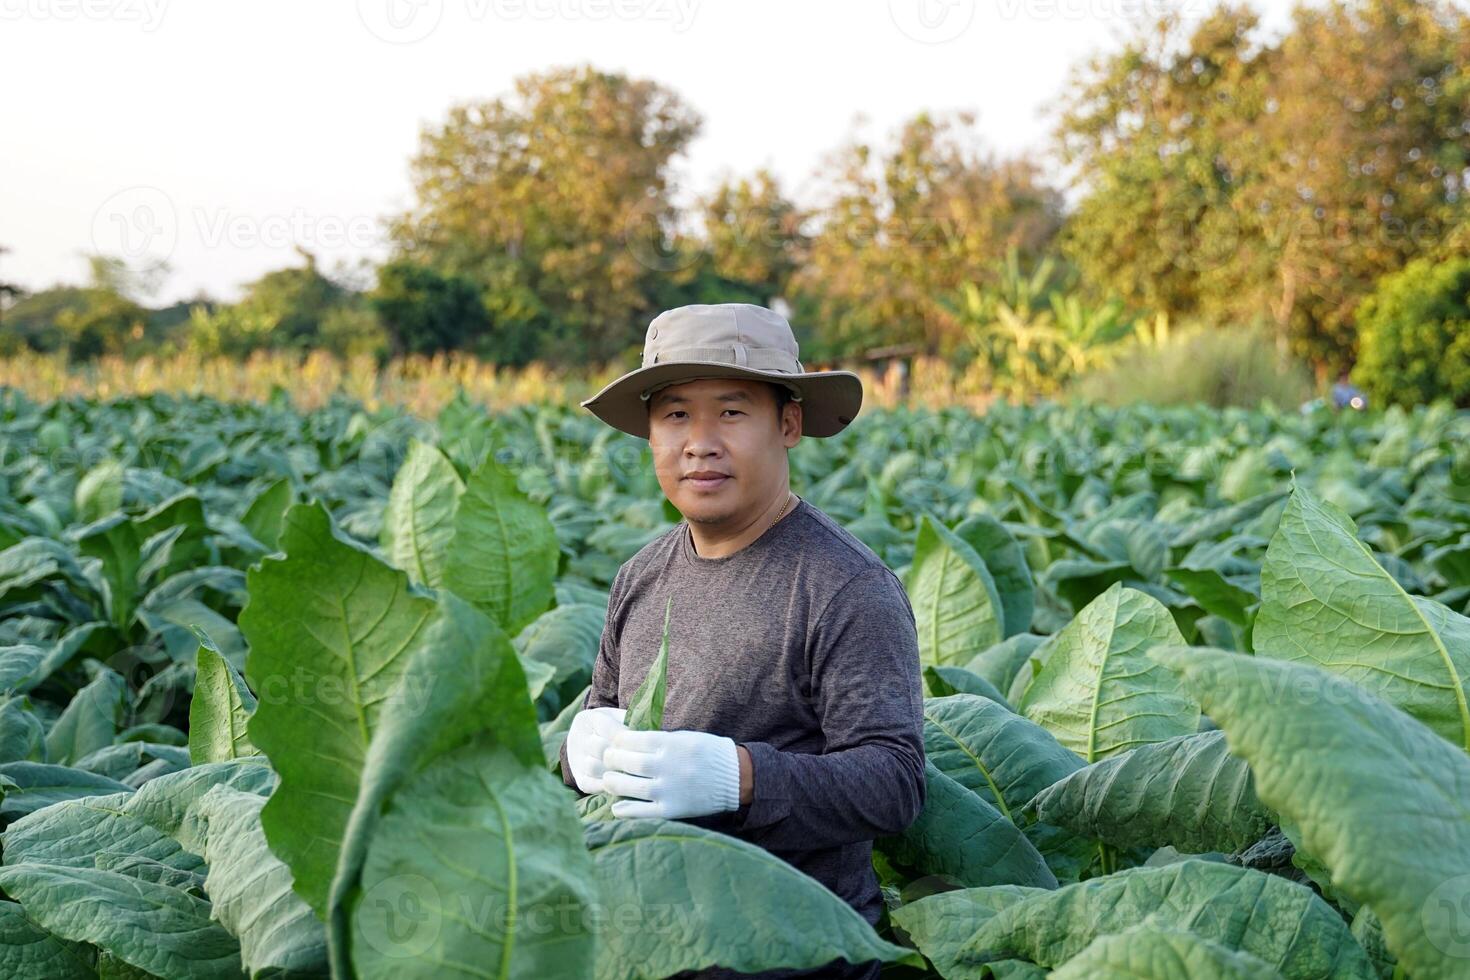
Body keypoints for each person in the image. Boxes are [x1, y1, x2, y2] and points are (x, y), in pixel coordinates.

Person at [560, 303, 927, 980]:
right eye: (675, 415)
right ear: (649, 433)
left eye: (730, 412)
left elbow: (894, 782)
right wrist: (574, 756)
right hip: (648, 947)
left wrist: (742, 777)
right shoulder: (639, 577)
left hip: (800, 957)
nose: (699, 442)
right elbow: (606, 717)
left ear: (788, 424)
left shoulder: (846, 586)